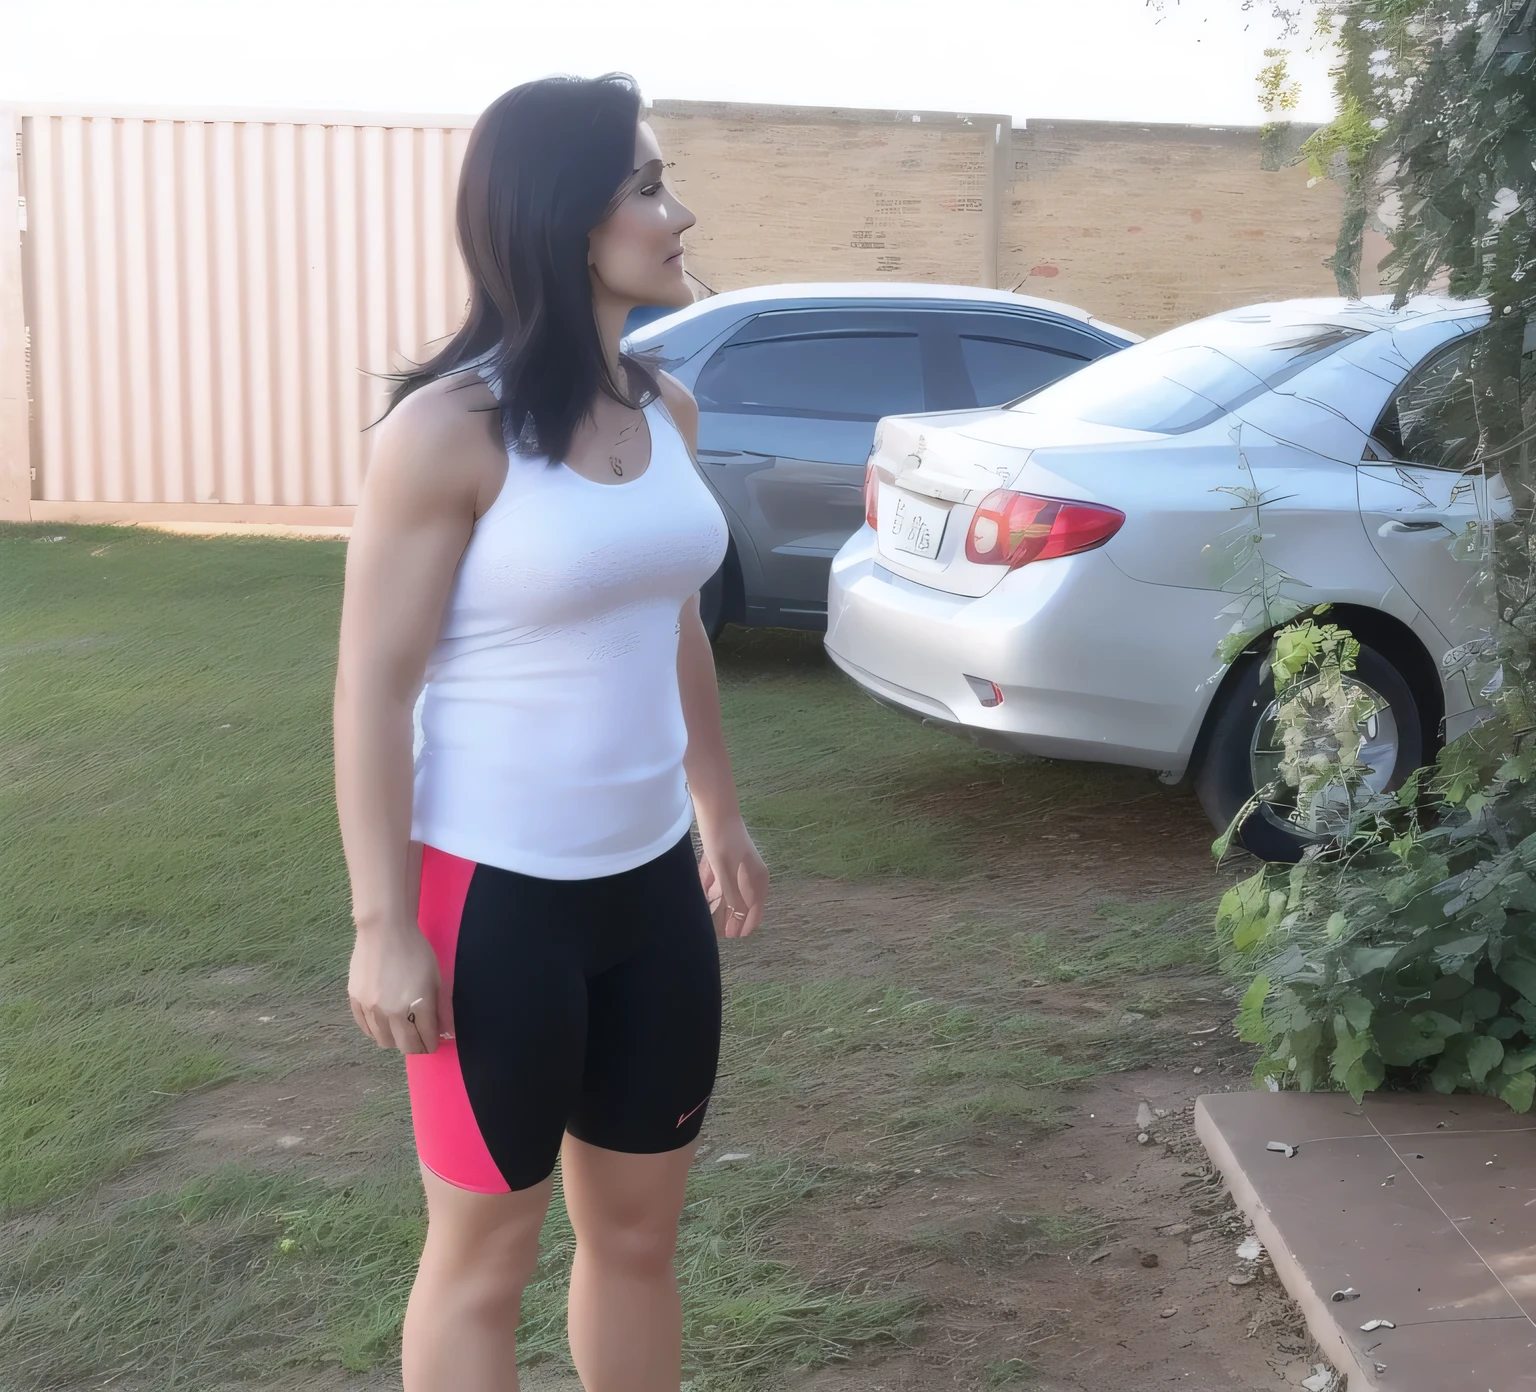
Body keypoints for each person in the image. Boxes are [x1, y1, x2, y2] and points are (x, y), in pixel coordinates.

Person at [331, 72, 769, 1392]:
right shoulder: (447, 432)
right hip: (492, 906)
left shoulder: (664, 406)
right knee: (484, 1260)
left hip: (648, 899)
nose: (678, 212)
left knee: (637, 1235)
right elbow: (369, 687)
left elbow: (675, 626)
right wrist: (382, 923)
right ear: (564, 216)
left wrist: (721, 807)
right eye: (647, 186)